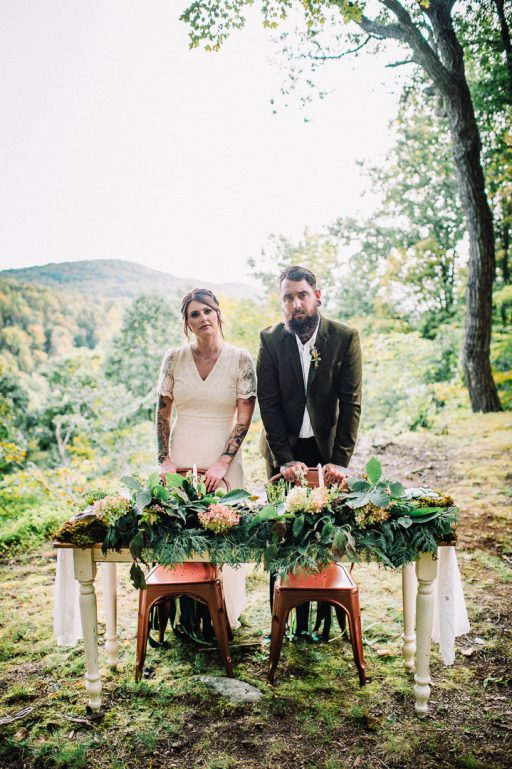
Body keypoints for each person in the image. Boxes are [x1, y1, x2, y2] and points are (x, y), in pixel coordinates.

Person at [256, 265, 362, 639]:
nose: (295, 303)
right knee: (282, 532)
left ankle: (323, 620)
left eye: (302, 295)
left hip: (326, 451)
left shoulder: (345, 338)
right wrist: (284, 459)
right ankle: (281, 621)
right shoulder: (270, 340)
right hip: (283, 451)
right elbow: (267, 405)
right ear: (282, 302)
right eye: (288, 297)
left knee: (323, 532)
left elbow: (351, 405)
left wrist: (340, 462)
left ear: (317, 296)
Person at [156, 288, 256, 639]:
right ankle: (188, 615)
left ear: (218, 314)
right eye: (194, 314)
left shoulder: (241, 359)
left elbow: (244, 416)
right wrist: (165, 459)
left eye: (207, 311)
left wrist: (223, 462)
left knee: (225, 529)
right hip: (183, 452)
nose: (202, 319)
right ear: (186, 323)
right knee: (184, 531)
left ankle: (223, 612)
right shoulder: (174, 358)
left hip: (223, 456)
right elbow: (163, 411)